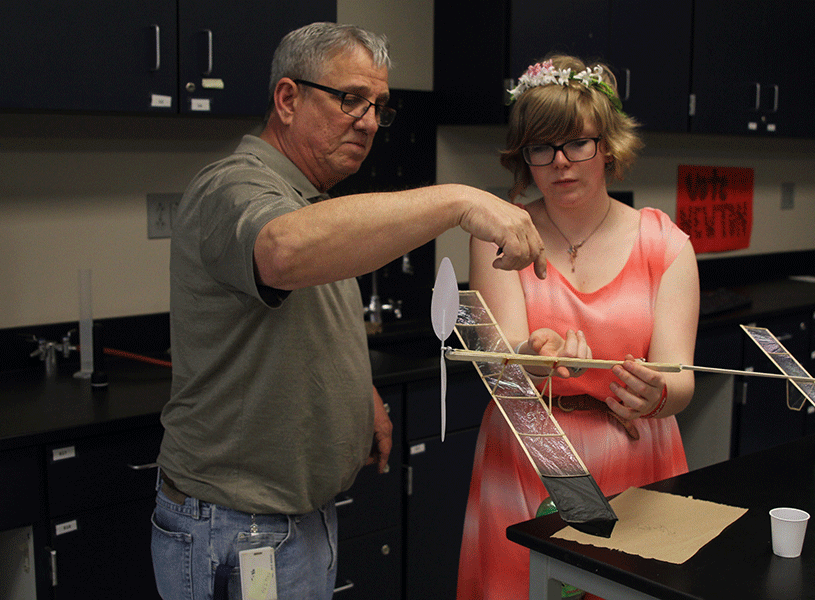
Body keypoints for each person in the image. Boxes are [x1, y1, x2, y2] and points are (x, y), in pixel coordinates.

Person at [150, 22, 547, 600]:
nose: (366, 121)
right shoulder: (232, 186)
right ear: (287, 99)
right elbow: (282, 253)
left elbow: (304, 323)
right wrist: (460, 200)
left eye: (377, 106)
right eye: (349, 99)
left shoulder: (312, 200)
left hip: (292, 517)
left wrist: (361, 400)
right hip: (238, 524)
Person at [456, 55, 700, 600]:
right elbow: (502, 370)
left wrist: (656, 393)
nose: (560, 162)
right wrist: (528, 355)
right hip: (529, 456)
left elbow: (680, 379)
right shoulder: (499, 234)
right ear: (524, 156)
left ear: (608, 145)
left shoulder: (667, 246)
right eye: (541, 147)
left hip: (638, 462)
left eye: (577, 143)